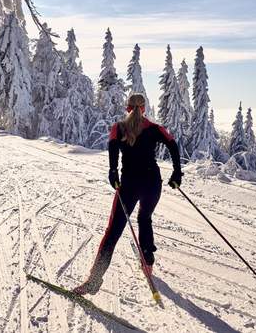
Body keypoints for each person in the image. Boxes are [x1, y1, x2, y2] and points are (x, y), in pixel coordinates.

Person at [73, 94, 182, 295]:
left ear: (127, 107)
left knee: (113, 232)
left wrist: (113, 172)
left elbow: (113, 151)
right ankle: (147, 262)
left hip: (129, 186)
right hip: (152, 184)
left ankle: (94, 281)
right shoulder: (154, 128)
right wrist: (176, 173)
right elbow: (173, 144)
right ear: (144, 108)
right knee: (145, 218)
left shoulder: (119, 128)